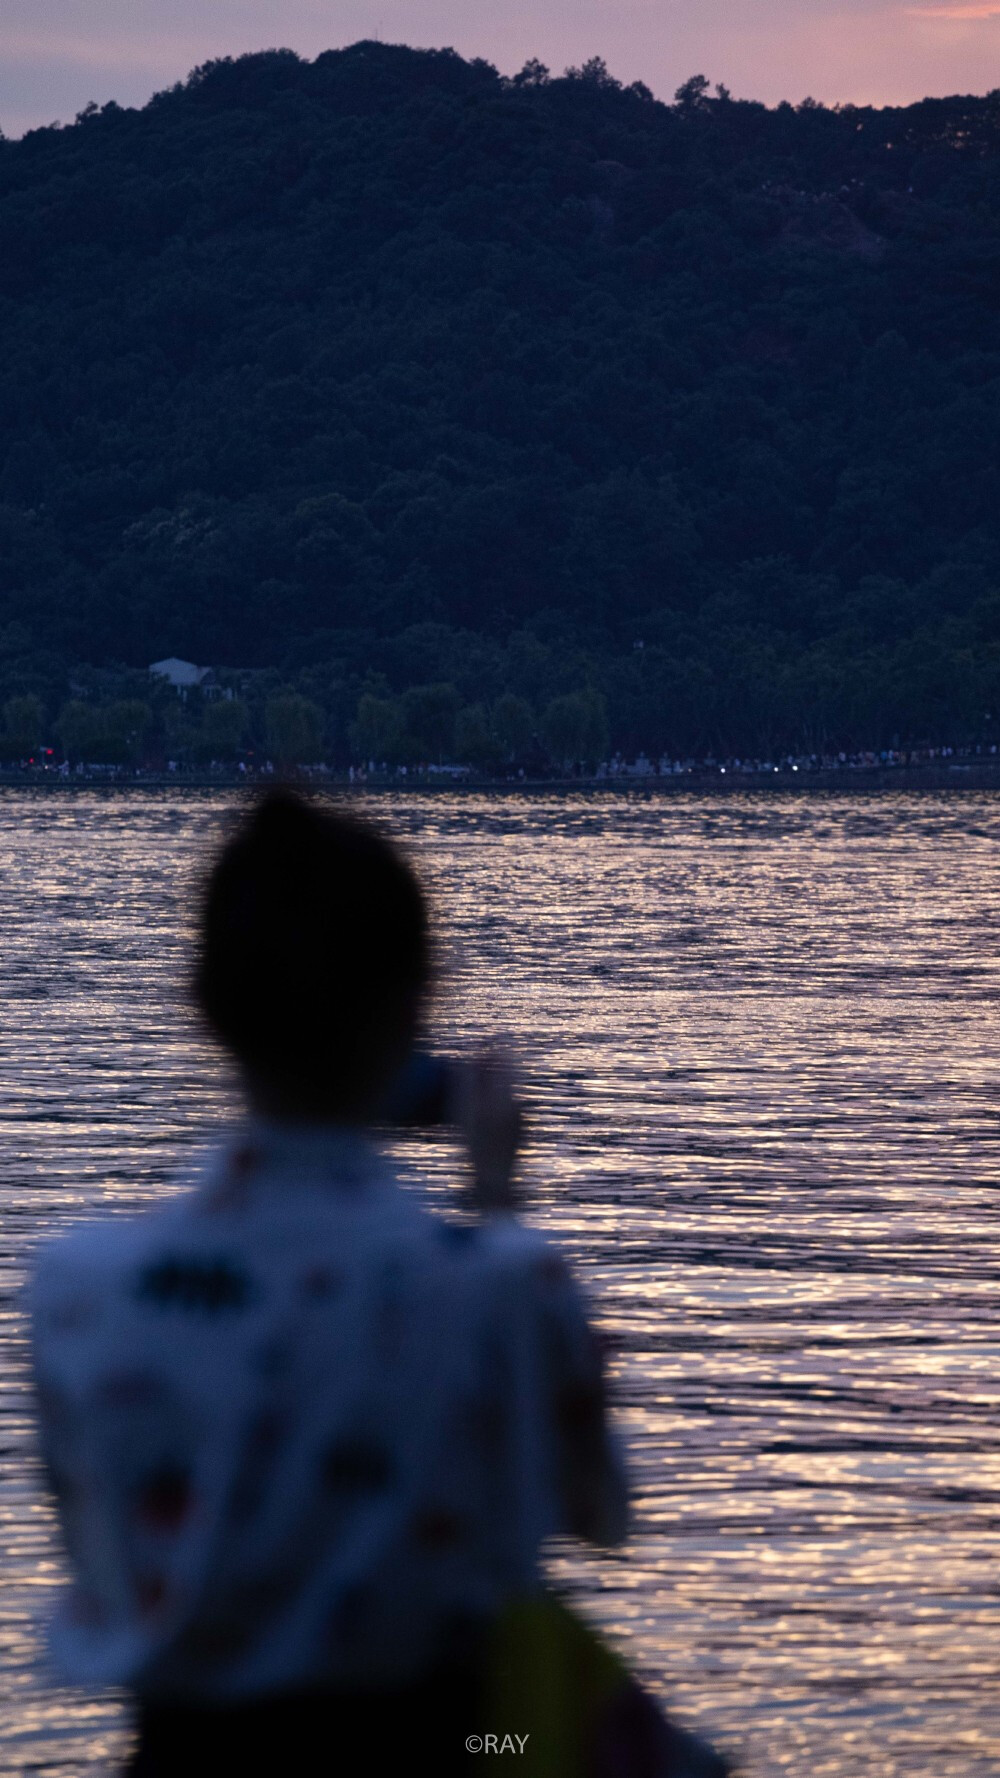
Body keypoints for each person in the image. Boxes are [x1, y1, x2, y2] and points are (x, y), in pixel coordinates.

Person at [28, 791, 628, 1775]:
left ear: (204, 1005)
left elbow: (105, 1546)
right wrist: (496, 1203)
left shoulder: (80, 1288)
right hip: (446, 1746)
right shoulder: (503, 1285)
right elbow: (593, 1515)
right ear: (413, 1005)